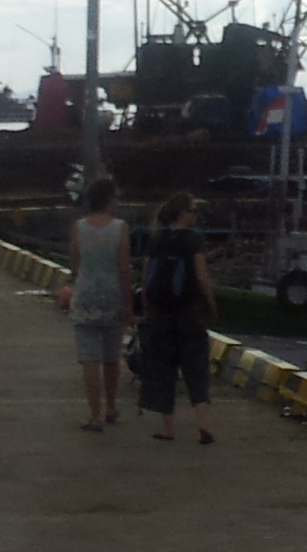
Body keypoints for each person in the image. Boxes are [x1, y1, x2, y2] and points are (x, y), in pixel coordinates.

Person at [132, 191, 216, 444]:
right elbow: (201, 276)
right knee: (196, 367)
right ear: (183, 213)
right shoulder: (194, 239)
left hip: (160, 312)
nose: (196, 215)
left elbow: (146, 275)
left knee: (164, 369)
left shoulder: (157, 238)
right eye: (193, 211)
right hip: (189, 311)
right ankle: (203, 424)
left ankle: (168, 428)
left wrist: (146, 305)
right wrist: (211, 304)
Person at [63, 176, 132, 429]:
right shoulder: (120, 227)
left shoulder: (79, 227)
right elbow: (124, 268)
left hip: (85, 295)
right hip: (112, 295)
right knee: (112, 357)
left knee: (89, 359)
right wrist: (128, 303)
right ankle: (111, 407)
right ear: (108, 199)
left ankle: (95, 416)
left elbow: (75, 264)